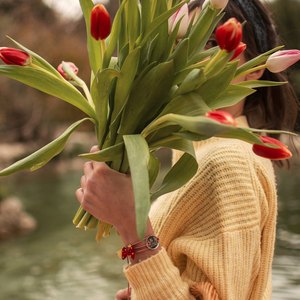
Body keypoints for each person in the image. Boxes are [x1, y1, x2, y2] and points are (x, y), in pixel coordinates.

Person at [75, 0, 299, 299]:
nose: (189, 55)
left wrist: (131, 223)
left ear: (255, 68)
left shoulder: (227, 160)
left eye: (209, 42)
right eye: (181, 42)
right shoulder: (199, 153)